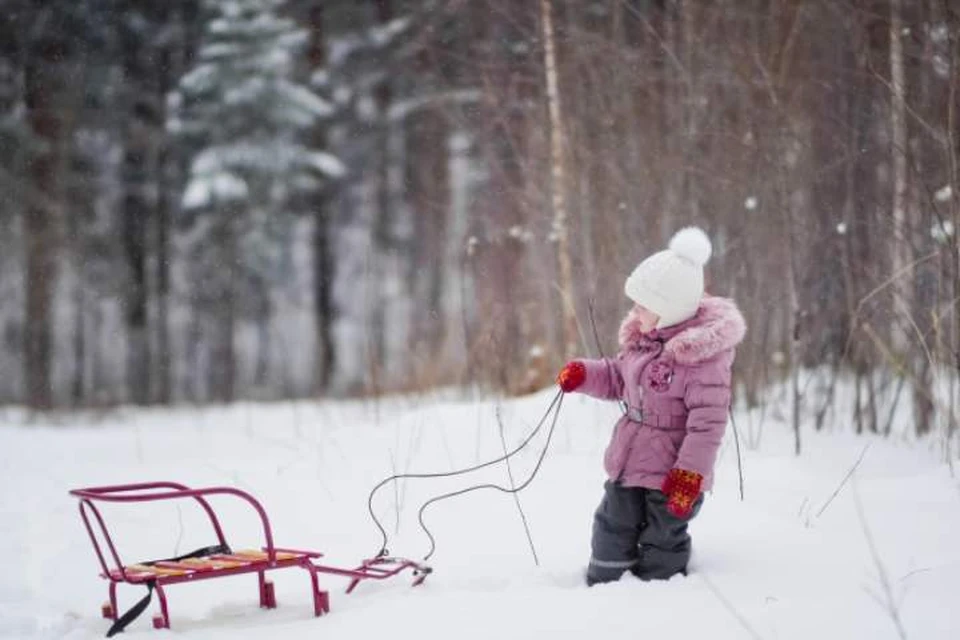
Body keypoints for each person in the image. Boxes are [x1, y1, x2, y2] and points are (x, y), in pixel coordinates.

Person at [556, 226, 746, 585]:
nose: (635, 312)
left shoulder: (702, 360)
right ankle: (605, 582)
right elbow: (618, 376)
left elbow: (708, 425)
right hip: (630, 463)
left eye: (643, 305)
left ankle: (658, 595)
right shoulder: (644, 342)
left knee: (662, 538)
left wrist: (689, 476)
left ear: (669, 310)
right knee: (613, 522)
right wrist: (584, 375)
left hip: (673, 476)